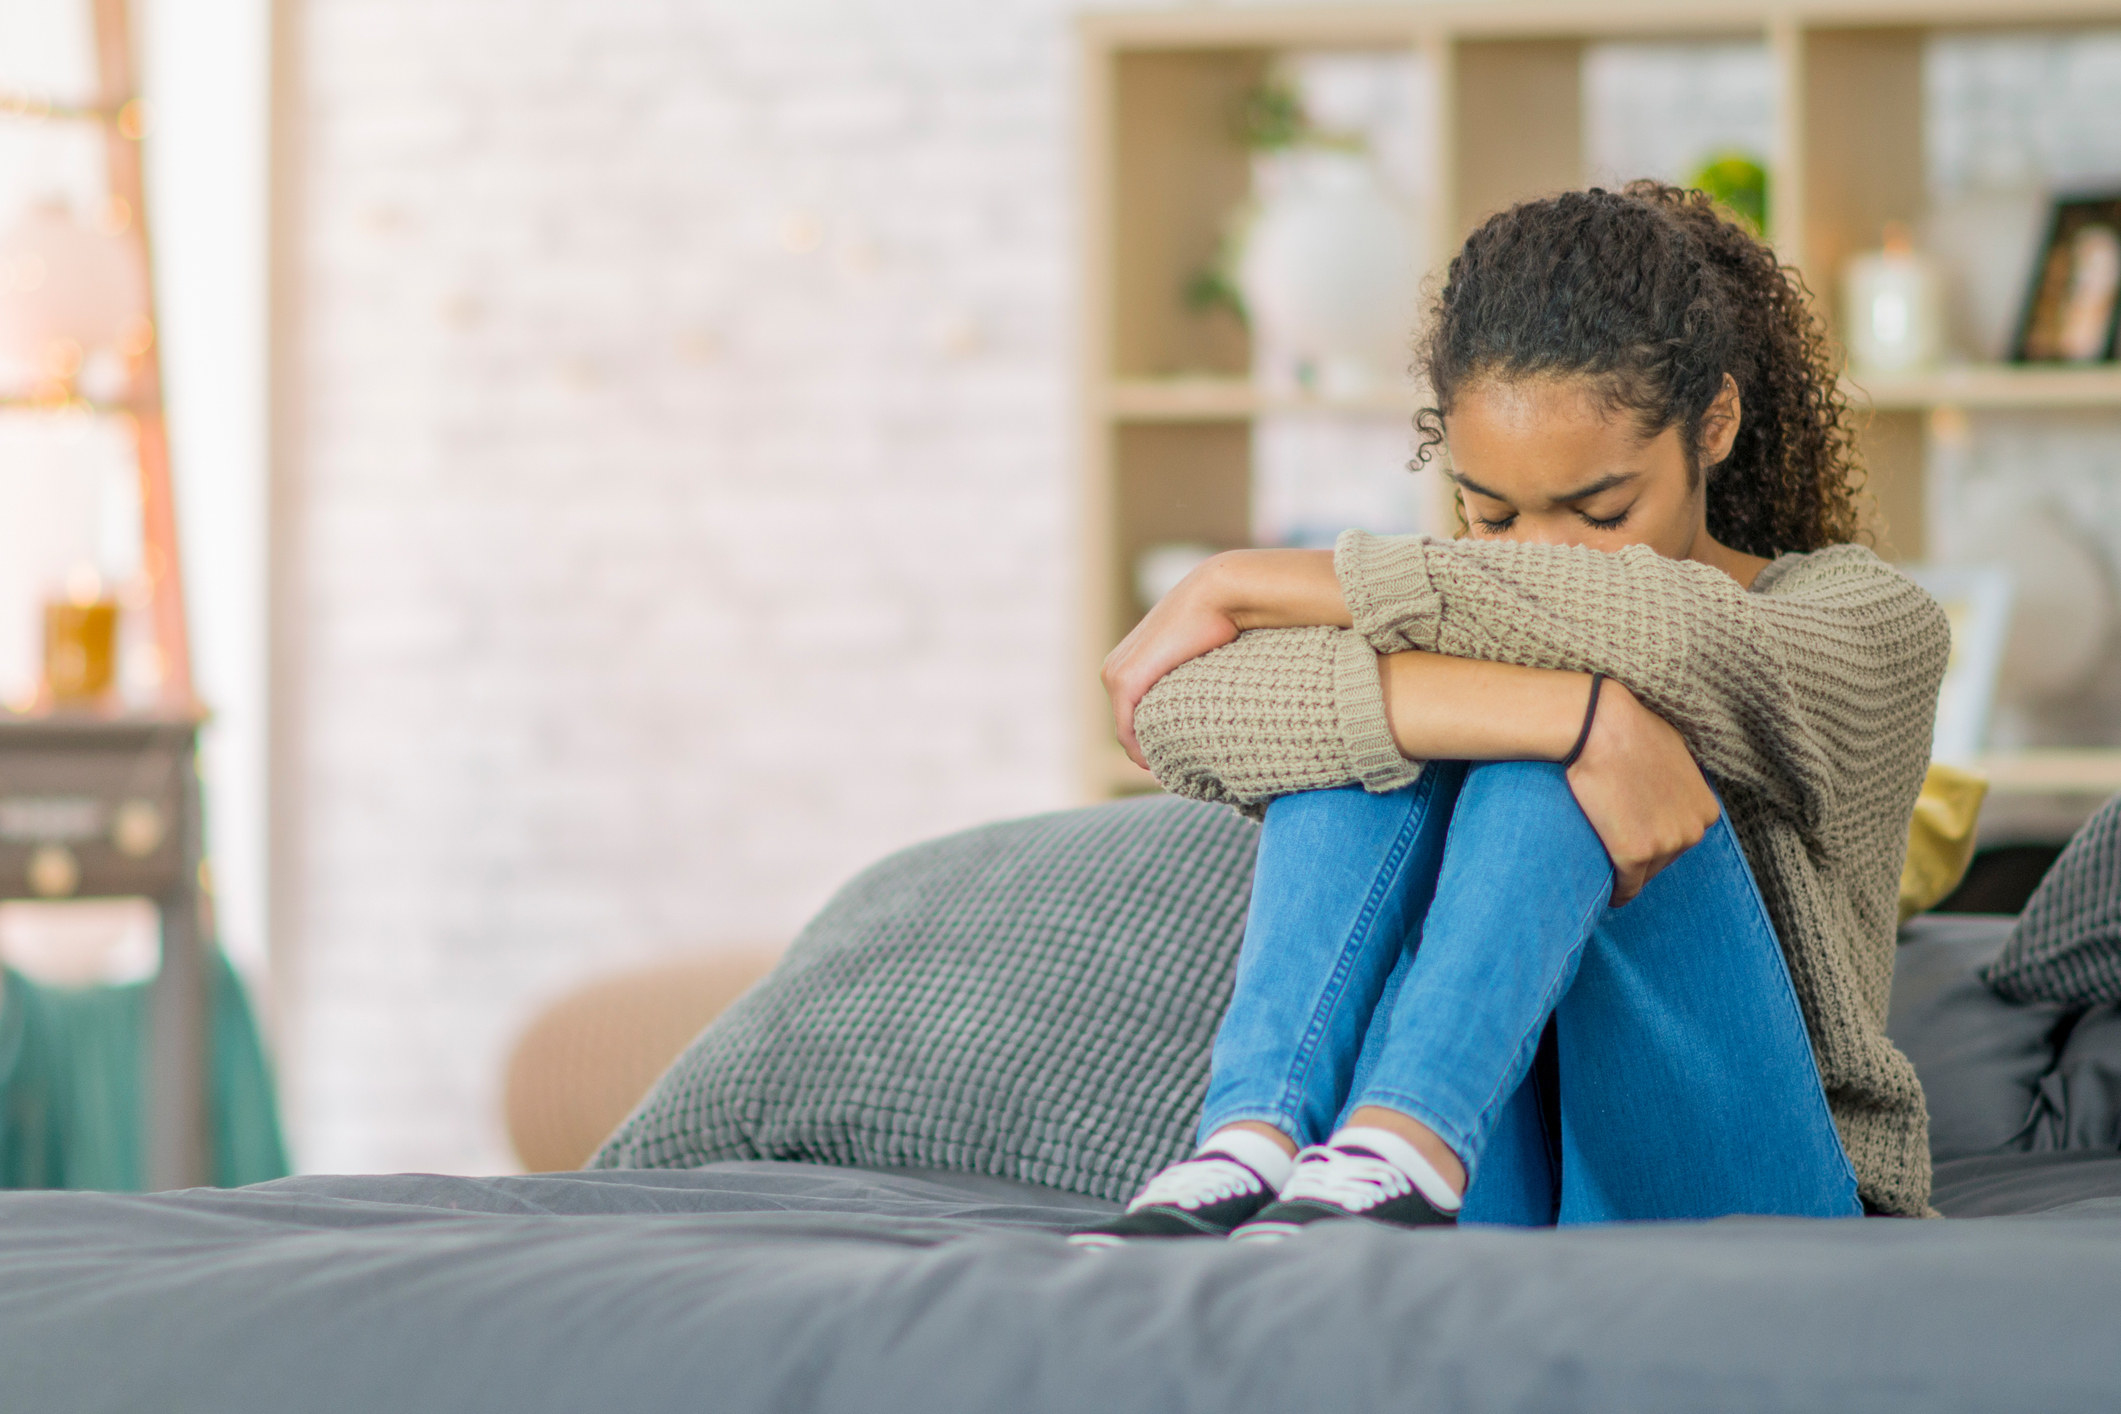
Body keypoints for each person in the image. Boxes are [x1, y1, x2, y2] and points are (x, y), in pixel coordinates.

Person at [1069, 183, 1949, 1246]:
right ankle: (1254, 1135)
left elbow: (1681, 635)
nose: (1540, 553)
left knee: (1564, 742)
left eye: (1601, 511)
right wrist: (1567, 712)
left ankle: (1410, 1125)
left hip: (1751, 1166)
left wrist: (1260, 581)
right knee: (1420, 743)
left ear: (1712, 424)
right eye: (1490, 514)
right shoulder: (1475, 615)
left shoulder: (1867, 622)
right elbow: (1182, 705)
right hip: (1494, 1179)